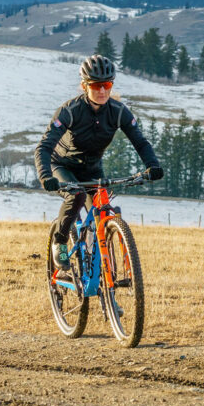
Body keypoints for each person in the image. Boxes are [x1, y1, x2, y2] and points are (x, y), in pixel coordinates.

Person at [34, 54, 163, 269]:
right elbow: (44, 147)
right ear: (85, 86)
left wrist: (153, 165)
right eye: (96, 86)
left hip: (92, 169)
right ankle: (60, 242)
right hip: (62, 166)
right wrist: (46, 176)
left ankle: (97, 263)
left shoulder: (119, 112)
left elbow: (140, 142)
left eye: (107, 84)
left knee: (103, 209)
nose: (102, 91)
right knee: (76, 197)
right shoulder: (70, 111)